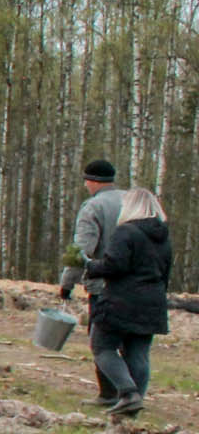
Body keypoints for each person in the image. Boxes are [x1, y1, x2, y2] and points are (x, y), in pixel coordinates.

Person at [83, 188, 173, 418]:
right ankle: (133, 406)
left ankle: (127, 392)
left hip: (121, 301)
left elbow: (115, 265)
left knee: (102, 347)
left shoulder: (126, 232)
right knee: (139, 354)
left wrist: (91, 267)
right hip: (153, 302)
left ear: (130, 207)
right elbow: (165, 274)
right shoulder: (164, 239)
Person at [61, 158, 128, 405]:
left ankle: (109, 394)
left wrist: (67, 282)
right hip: (135, 286)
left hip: (103, 286)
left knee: (101, 342)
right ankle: (132, 391)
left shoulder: (93, 207)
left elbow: (81, 250)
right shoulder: (131, 202)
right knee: (130, 343)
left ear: (92, 181)